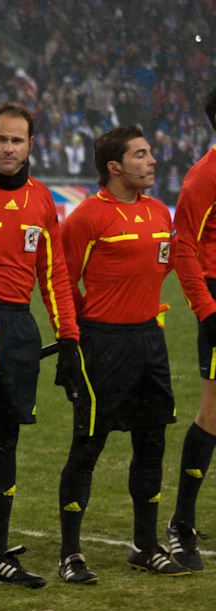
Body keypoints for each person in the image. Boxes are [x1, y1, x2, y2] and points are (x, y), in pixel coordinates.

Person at [0, 102, 80, 590]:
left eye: (17, 140)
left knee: (5, 441)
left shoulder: (42, 199)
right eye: (0, 139)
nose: (8, 148)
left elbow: (54, 272)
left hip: (19, 329)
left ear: (30, 145)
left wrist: (69, 335)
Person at [56, 125, 190, 582]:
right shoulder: (87, 218)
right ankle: (70, 554)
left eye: (150, 153)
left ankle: (144, 545)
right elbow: (62, 281)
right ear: (114, 167)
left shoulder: (158, 212)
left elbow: (164, 265)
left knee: (152, 443)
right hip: (103, 344)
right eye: (140, 155)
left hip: (149, 341)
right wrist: (81, 333)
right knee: (88, 446)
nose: (152, 161)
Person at [168, 86, 216, 572]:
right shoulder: (204, 177)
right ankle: (181, 522)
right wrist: (207, 311)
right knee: (214, 411)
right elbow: (184, 249)